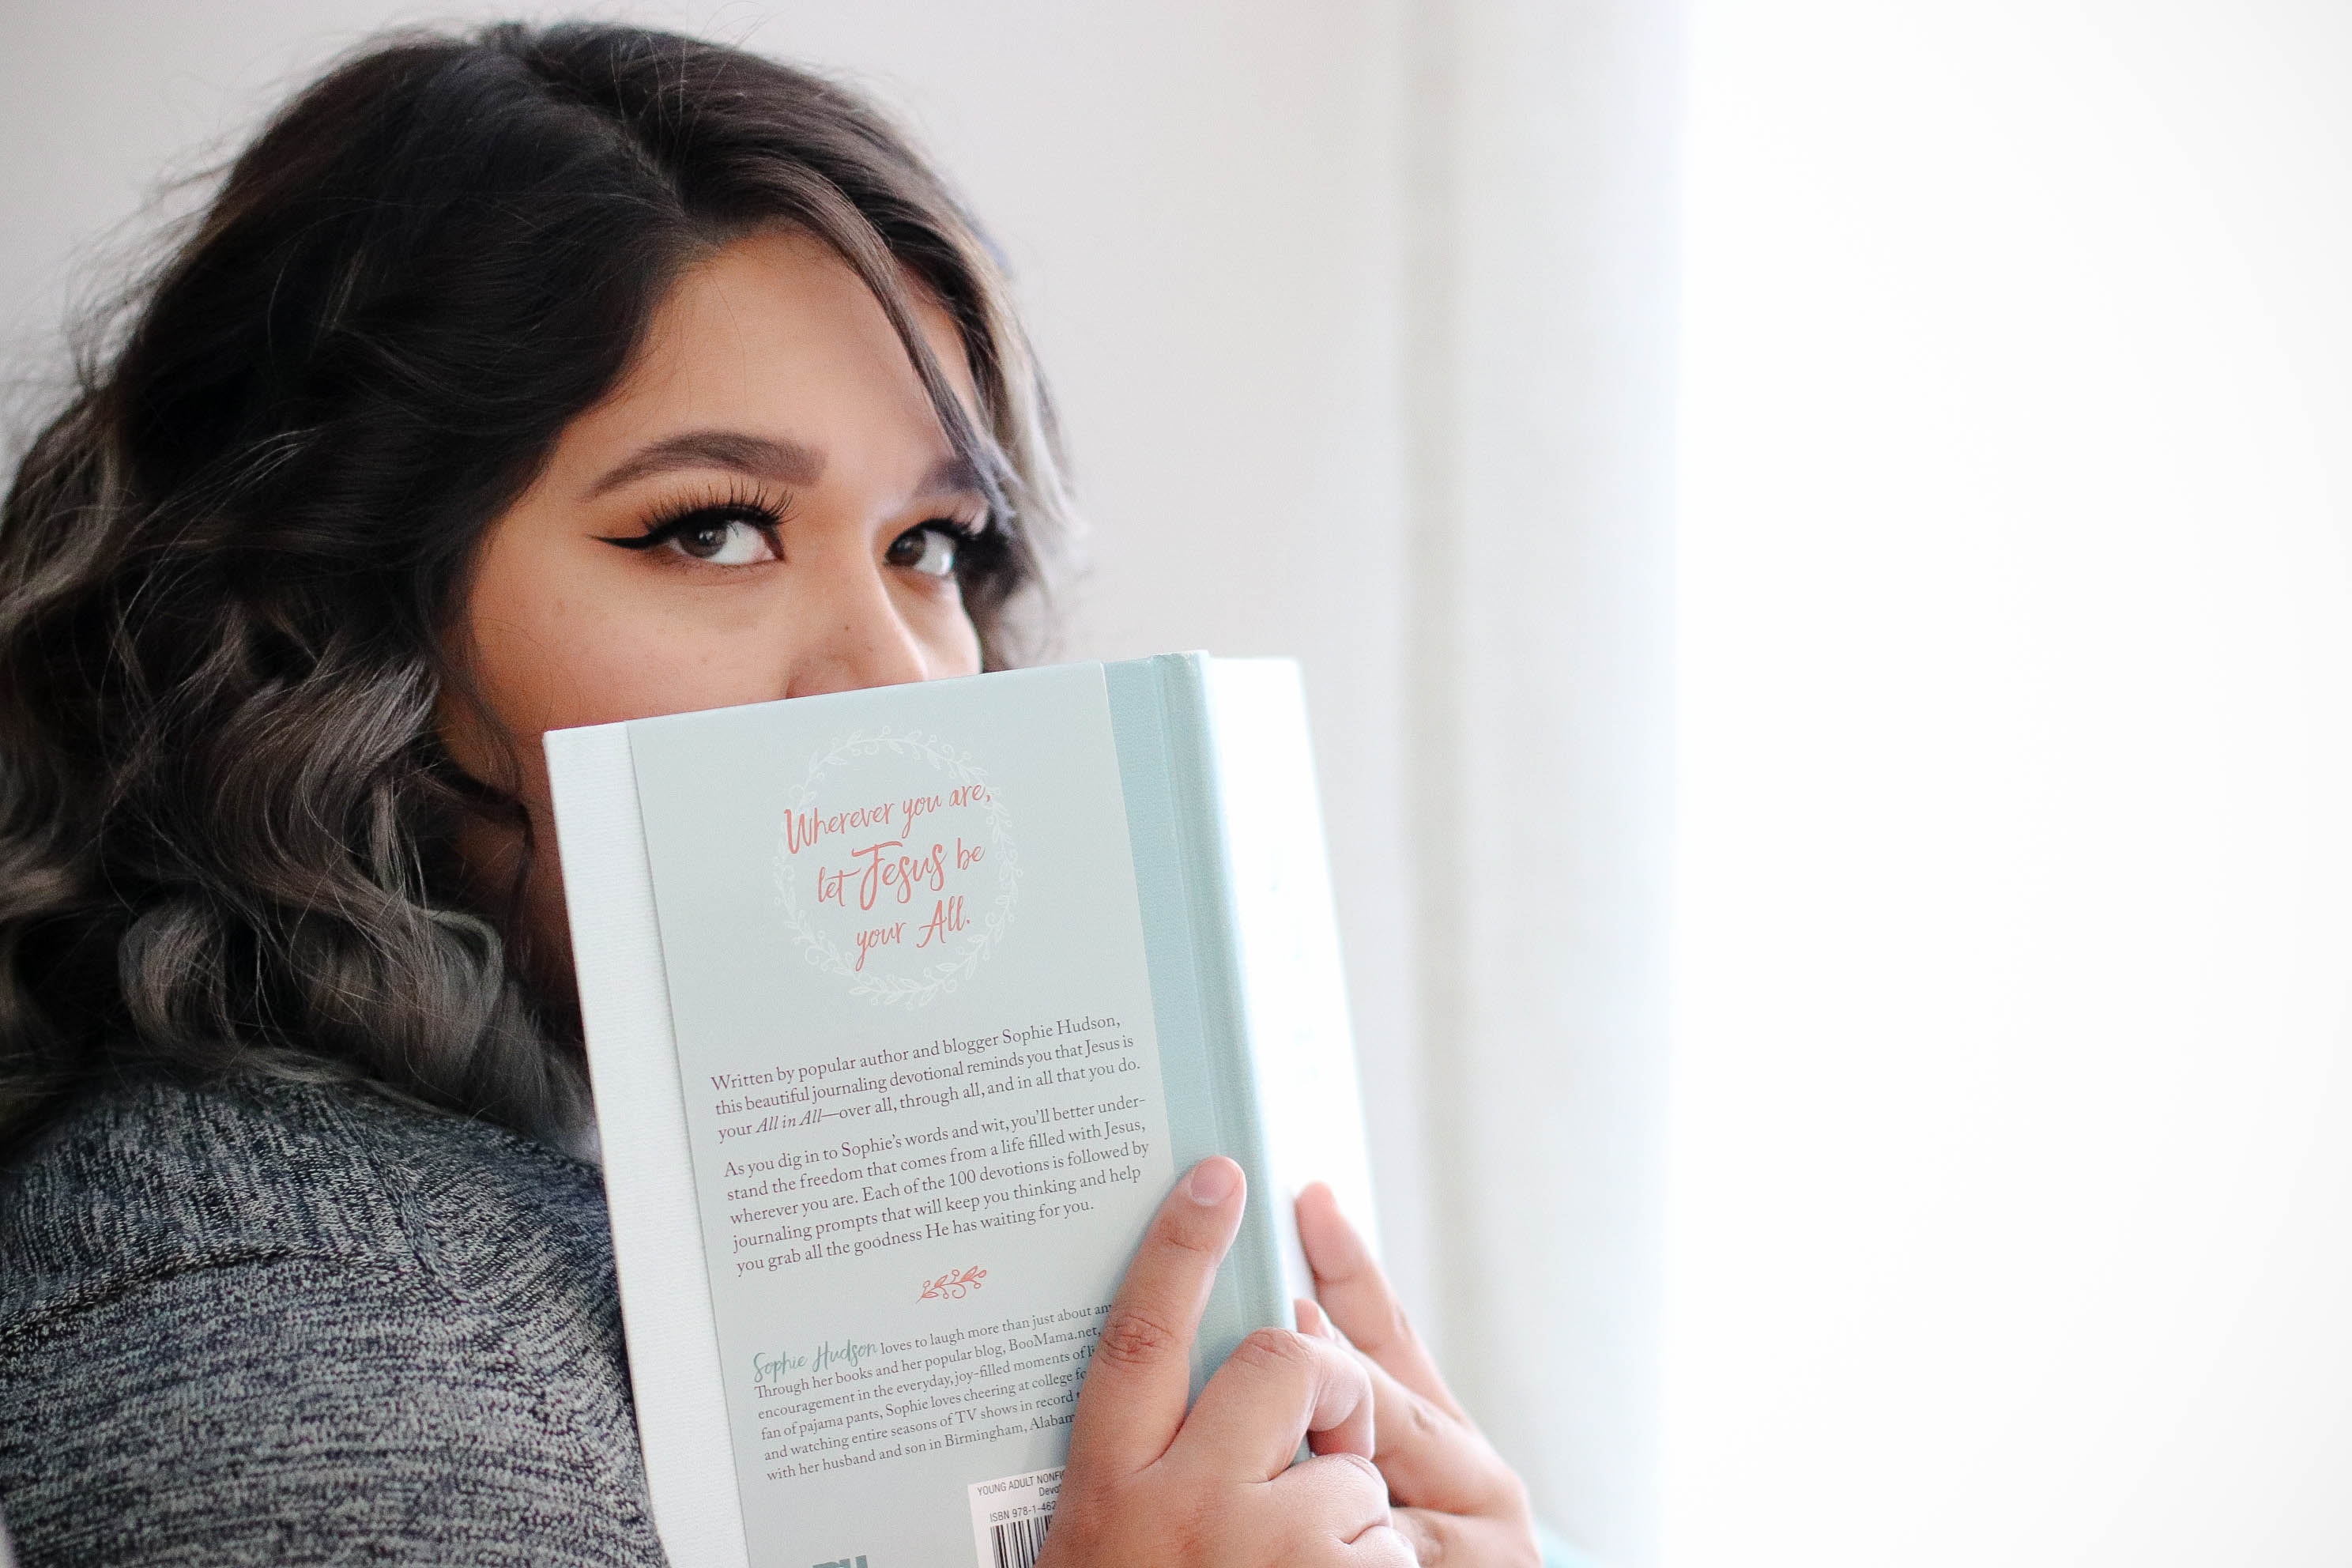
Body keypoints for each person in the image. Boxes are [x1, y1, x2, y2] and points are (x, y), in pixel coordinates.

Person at [0, 24, 1542, 1567]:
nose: (897, 687)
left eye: (930, 543)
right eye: (710, 529)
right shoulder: (299, 1351)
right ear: (319, 614)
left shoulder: (610, 1215)